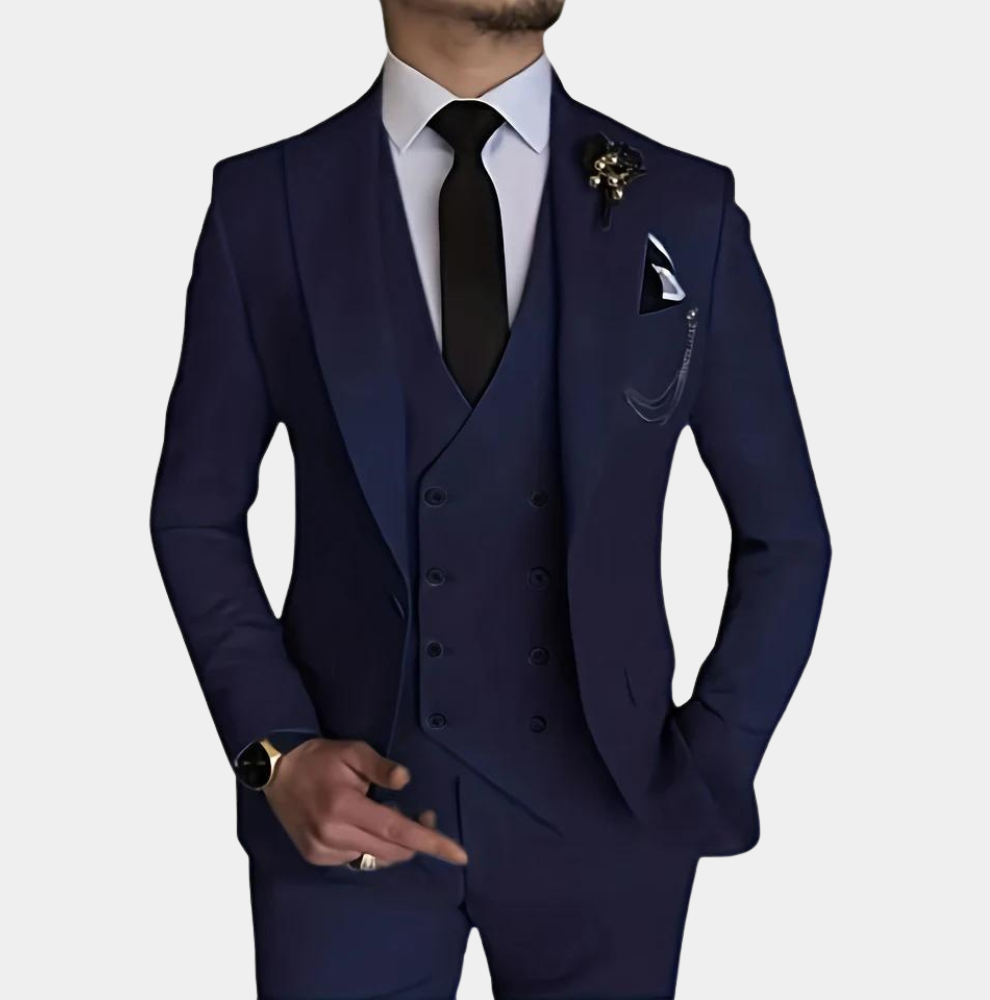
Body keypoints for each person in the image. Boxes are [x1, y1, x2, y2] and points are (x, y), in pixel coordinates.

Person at [150, 1, 831, 996]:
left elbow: (786, 535)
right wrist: (274, 754)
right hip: (344, 821)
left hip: (612, 826)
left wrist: (709, 764)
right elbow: (195, 514)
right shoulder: (267, 205)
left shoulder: (685, 206)